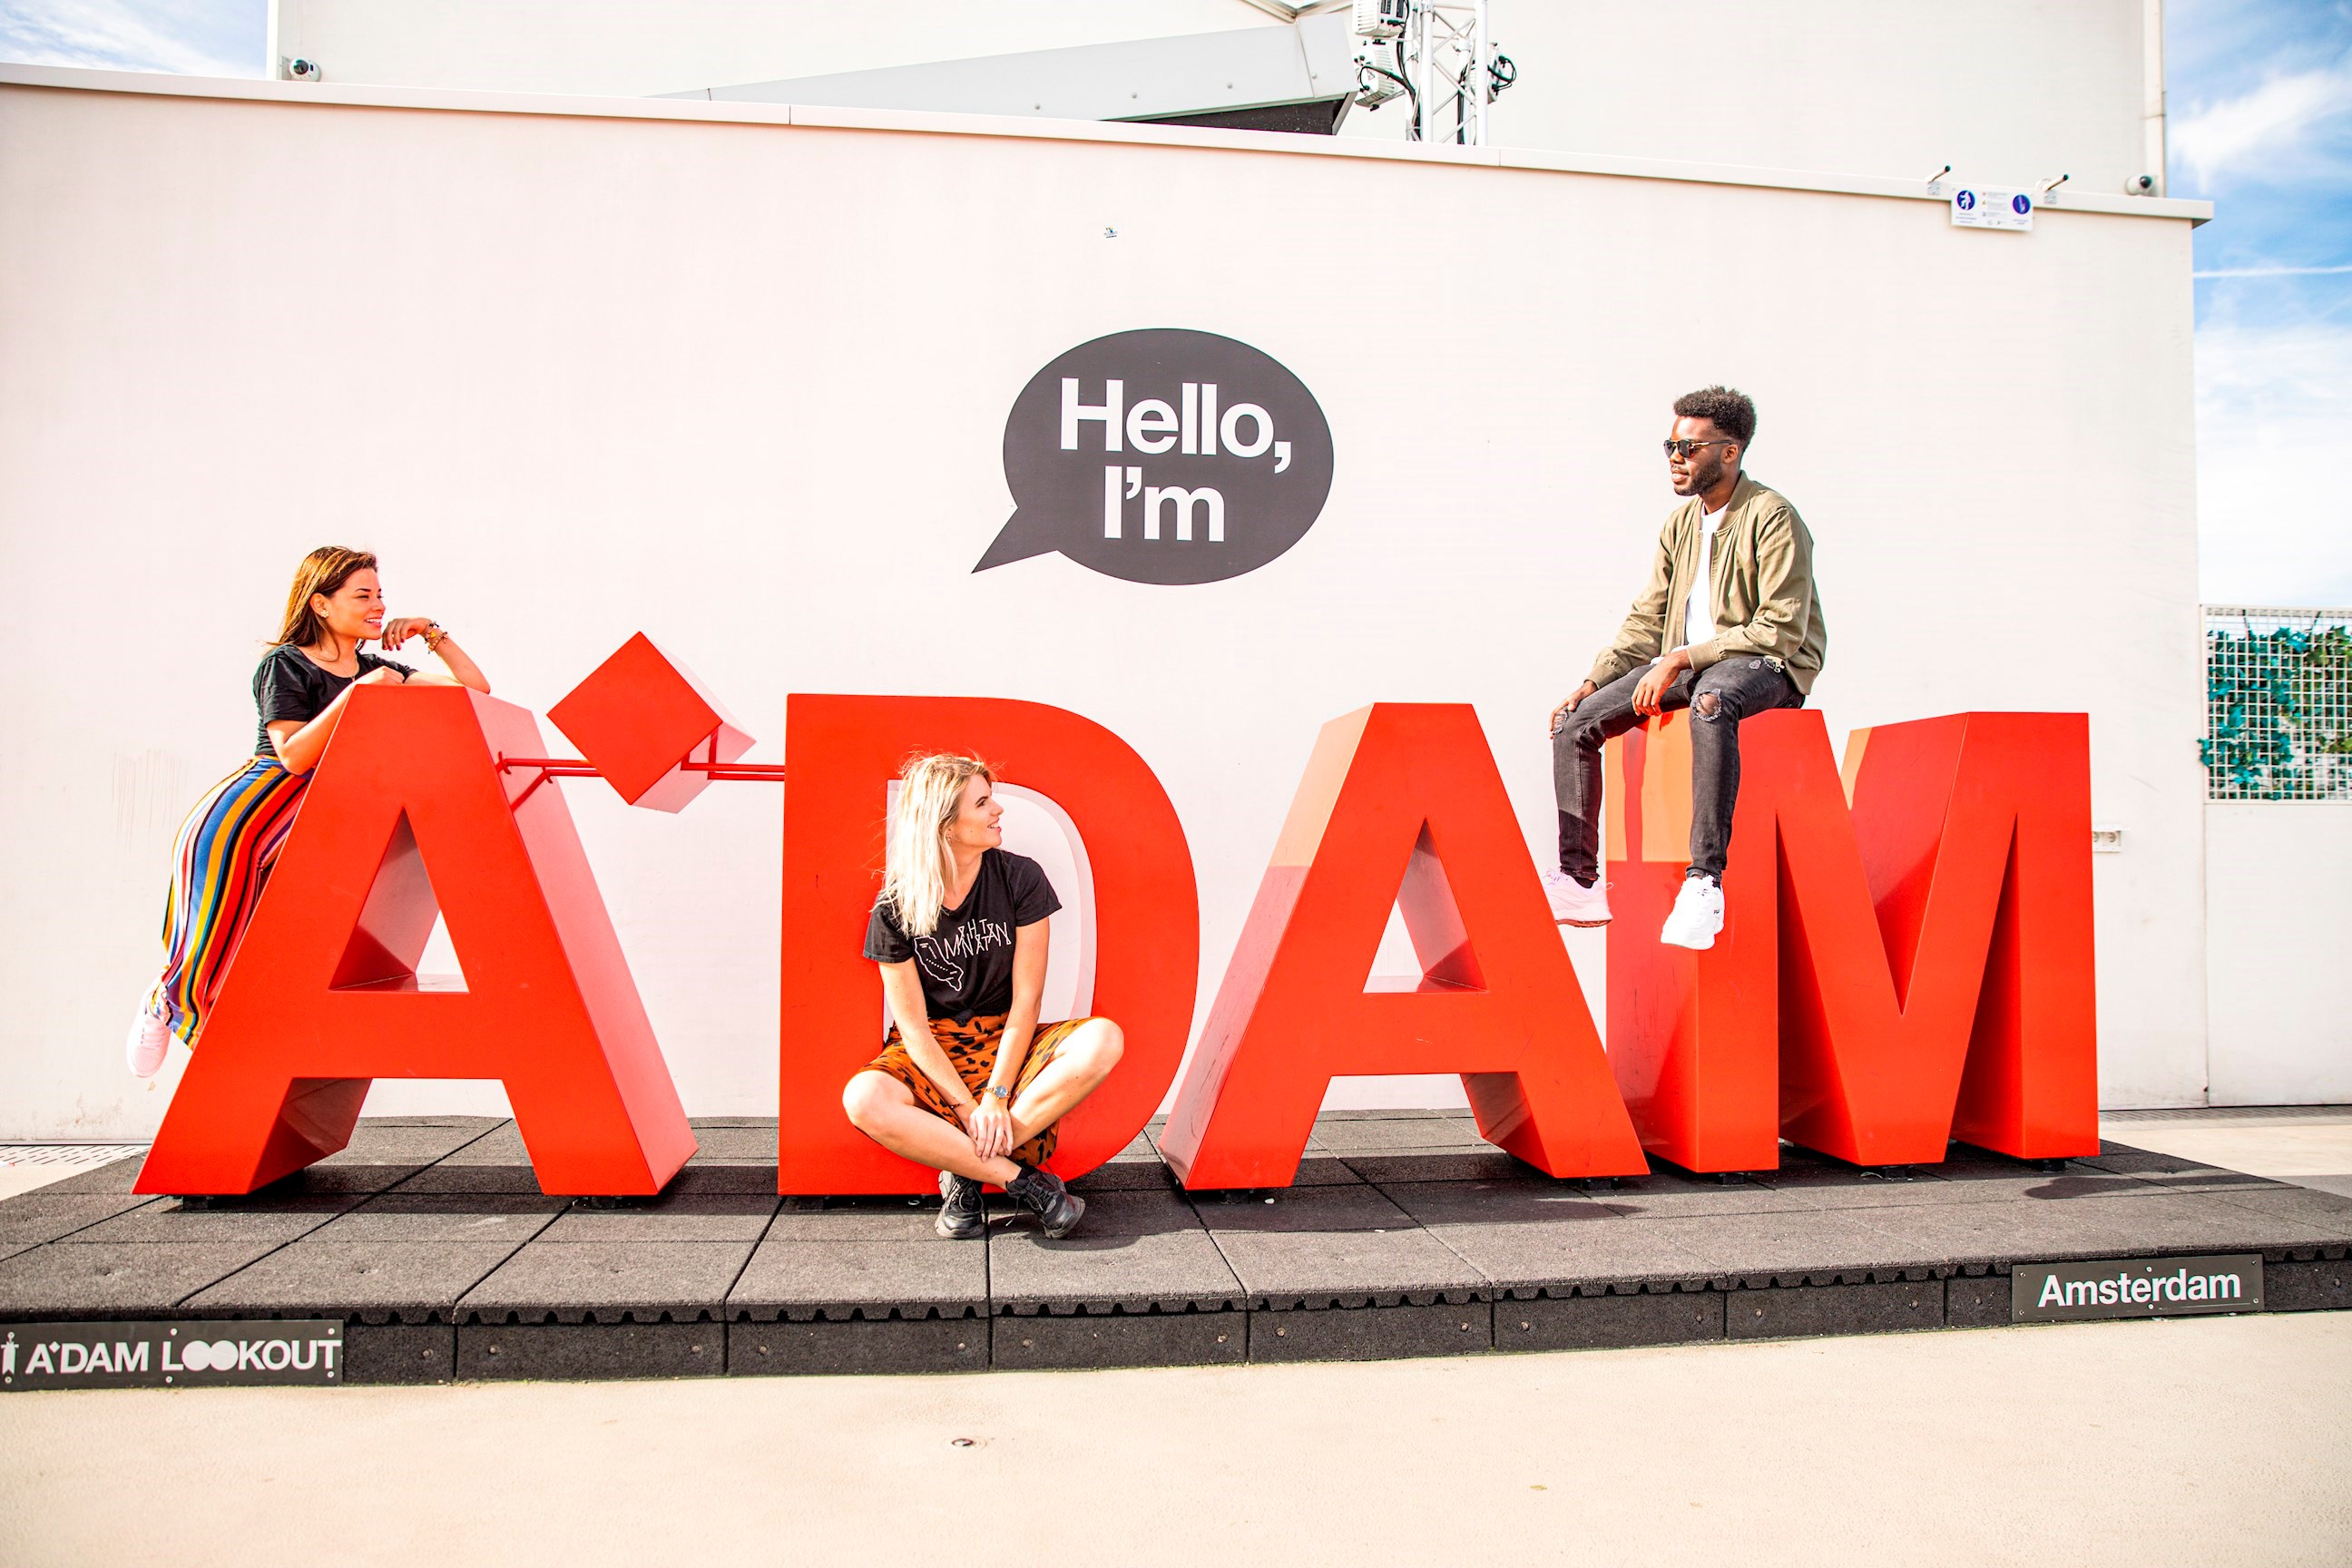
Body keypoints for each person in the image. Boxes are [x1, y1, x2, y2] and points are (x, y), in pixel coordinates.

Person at [125, 546, 491, 1075]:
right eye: (362, 596)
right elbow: (293, 756)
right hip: (245, 815)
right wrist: (357, 696)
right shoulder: (286, 665)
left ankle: (203, 1036)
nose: (377, 607)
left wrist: (431, 631)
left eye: (380, 596)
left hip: (305, 822)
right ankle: (166, 1004)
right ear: (321, 604)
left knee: (257, 951)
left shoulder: (378, 668)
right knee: (214, 936)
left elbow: (473, 691)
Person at [1544, 387, 1828, 950]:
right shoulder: (1679, 525)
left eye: (1690, 448)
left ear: (1730, 451)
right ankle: (1579, 881)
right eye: (1670, 445)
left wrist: (1680, 658)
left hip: (1768, 667)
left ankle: (1705, 883)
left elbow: (1781, 628)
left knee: (1712, 702)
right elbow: (1648, 618)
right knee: (1573, 724)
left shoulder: (1772, 517)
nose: (1676, 457)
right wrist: (1596, 679)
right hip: (1693, 666)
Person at [843, 753, 1125, 1240]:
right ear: (945, 822)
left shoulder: (1021, 878)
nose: (998, 810)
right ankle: (1026, 1184)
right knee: (863, 1099)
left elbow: (1027, 1002)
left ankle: (965, 1173)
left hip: (1004, 1037)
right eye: (983, 801)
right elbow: (911, 1029)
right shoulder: (894, 908)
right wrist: (967, 1108)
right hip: (933, 1049)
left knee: (1103, 1038)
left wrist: (996, 1094)